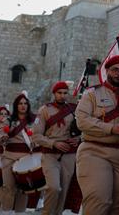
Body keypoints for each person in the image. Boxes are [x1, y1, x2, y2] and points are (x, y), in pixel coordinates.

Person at [76, 54, 119, 215]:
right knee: (99, 201)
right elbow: (82, 121)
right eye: (115, 70)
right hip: (96, 151)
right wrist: (110, 128)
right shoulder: (92, 94)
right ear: (106, 71)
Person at [32, 81, 80, 215]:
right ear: (54, 94)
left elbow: (84, 130)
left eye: (65, 93)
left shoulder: (74, 109)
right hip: (50, 154)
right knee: (54, 187)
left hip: (69, 154)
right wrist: (54, 143)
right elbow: (36, 136)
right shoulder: (44, 110)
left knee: (64, 191)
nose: (62, 96)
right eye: (59, 93)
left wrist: (79, 138)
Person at [0, 92, 39, 214]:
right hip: (9, 156)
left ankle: (20, 212)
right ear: (16, 105)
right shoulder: (8, 120)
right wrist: (2, 137)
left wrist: (36, 143)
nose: (23, 106)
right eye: (20, 103)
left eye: (25, 103)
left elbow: (38, 136)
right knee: (8, 187)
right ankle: (6, 212)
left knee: (23, 189)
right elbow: (1, 133)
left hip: (26, 158)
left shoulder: (33, 121)